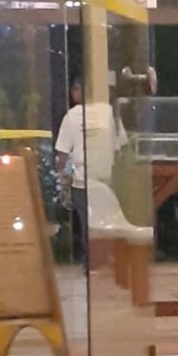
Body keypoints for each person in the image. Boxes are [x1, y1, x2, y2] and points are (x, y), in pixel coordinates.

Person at [55, 77, 127, 262]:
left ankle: (92, 261)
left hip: (83, 181)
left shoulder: (72, 116)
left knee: (88, 225)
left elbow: (62, 154)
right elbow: (120, 148)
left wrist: (63, 176)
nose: (74, 92)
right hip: (105, 180)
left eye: (76, 88)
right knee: (107, 223)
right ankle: (107, 259)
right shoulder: (108, 112)